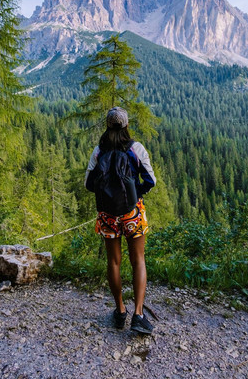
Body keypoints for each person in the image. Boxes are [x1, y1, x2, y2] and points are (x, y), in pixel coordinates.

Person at [85, 106, 156, 334]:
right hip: (132, 212)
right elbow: (150, 180)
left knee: (113, 262)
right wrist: (136, 192)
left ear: (107, 125)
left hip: (107, 214)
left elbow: (88, 184)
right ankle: (138, 314)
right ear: (126, 125)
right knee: (138, 261)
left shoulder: (99, 151)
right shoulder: (135, 148)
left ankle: (120, 310)